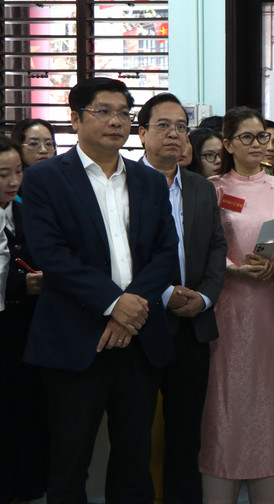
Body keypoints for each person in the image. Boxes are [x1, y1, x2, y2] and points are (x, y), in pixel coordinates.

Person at [22, 77, 178, 503]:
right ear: (75, 119)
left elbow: (166, 252)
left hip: (140, 340)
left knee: (134, 459)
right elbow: (50, 254)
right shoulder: (45, 179)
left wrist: (132, 308)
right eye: (103, 111)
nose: (116, 121)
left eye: (123, 112)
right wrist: (113, 303)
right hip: (75, 340)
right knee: (70, 461)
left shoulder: (148, 181)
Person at [198, 106, 274, 503]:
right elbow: (202, 246)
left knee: (271, 393)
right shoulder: (213, 189)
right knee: (222, 396)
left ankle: (271, 473)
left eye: (263, 137)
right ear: (227, 143)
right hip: (225, 306)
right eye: (247, 137)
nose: (258, 145)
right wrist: (231, 270)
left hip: (271, 305)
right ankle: (220, 470)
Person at [137, 93, 228, 504]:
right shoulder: (125, 184)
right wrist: (165, 292)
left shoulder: (200, 188)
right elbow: (119, 253)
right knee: (134, 435)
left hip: (193, 326)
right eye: (163, 126)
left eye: (180, 126)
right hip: (140, 323)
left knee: (186, 436)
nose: (174, 134)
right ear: (142, 133)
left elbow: (215, 248)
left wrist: (205, 298)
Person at [0, 136, 48, 503]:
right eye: (3, 175)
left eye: (17, 171)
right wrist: (17, 284)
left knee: (26, 413)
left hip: (23, 329)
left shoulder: (22, 211)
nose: (14, 181)